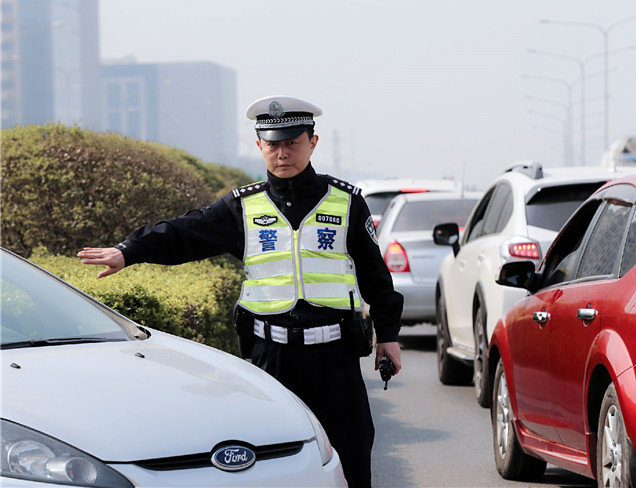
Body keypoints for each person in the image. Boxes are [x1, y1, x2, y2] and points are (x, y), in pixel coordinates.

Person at [77, 95, 403, 487]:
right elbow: (185, 232)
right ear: (259, 146)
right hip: (269, 357)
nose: (283, 153)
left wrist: (388, 335)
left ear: (312, 143)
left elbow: (375, 275)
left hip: (334, 356)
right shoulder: (242, 207)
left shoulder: (346, 202)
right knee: (269, 460)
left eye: (292, 143)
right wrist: (128, 251)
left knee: (350, 454)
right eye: (273, 144)